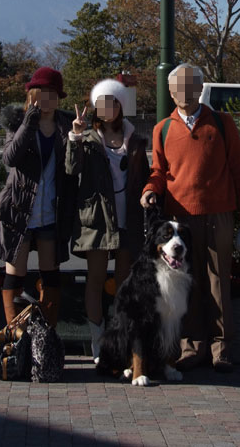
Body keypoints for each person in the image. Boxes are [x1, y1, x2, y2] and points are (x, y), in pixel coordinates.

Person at [141, 63, 240, 373]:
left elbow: (239, 170)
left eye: (190, 86)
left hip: (219, 214)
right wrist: (150, 190)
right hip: (180, 220)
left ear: (200, 88)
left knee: (219, 280)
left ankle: (222, 348)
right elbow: (159, 172)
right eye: (178, 87)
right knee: (186, 283)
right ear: (170, 92)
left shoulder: (221, 123)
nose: (184, 92)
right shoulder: (162, 128)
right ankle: (192, 346)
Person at [0, 67, 76, 328]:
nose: (48, 99)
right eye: (43, 93)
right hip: (19, 210)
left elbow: (73, 168)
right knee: (15, 272)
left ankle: (46, 335)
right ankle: (14, 335)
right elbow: (9, 159)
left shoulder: (66, 125)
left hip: (51, 210)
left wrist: (77, 137)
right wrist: (28, 123)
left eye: (53, 94)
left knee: (51, 273)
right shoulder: (18, 122)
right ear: (33, 95)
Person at [66, 79, 149, 363]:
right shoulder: (88, 138)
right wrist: (75, 136)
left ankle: (121, 340)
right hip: (97, 219)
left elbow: (145, 179)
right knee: (96, 279)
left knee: (125, 283)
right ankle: (98, 342)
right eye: (101, 103)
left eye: (112, 102)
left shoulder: (135, 140)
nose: (107, 108)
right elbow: (71, 168)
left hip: (128, 219)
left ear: (120, 105)